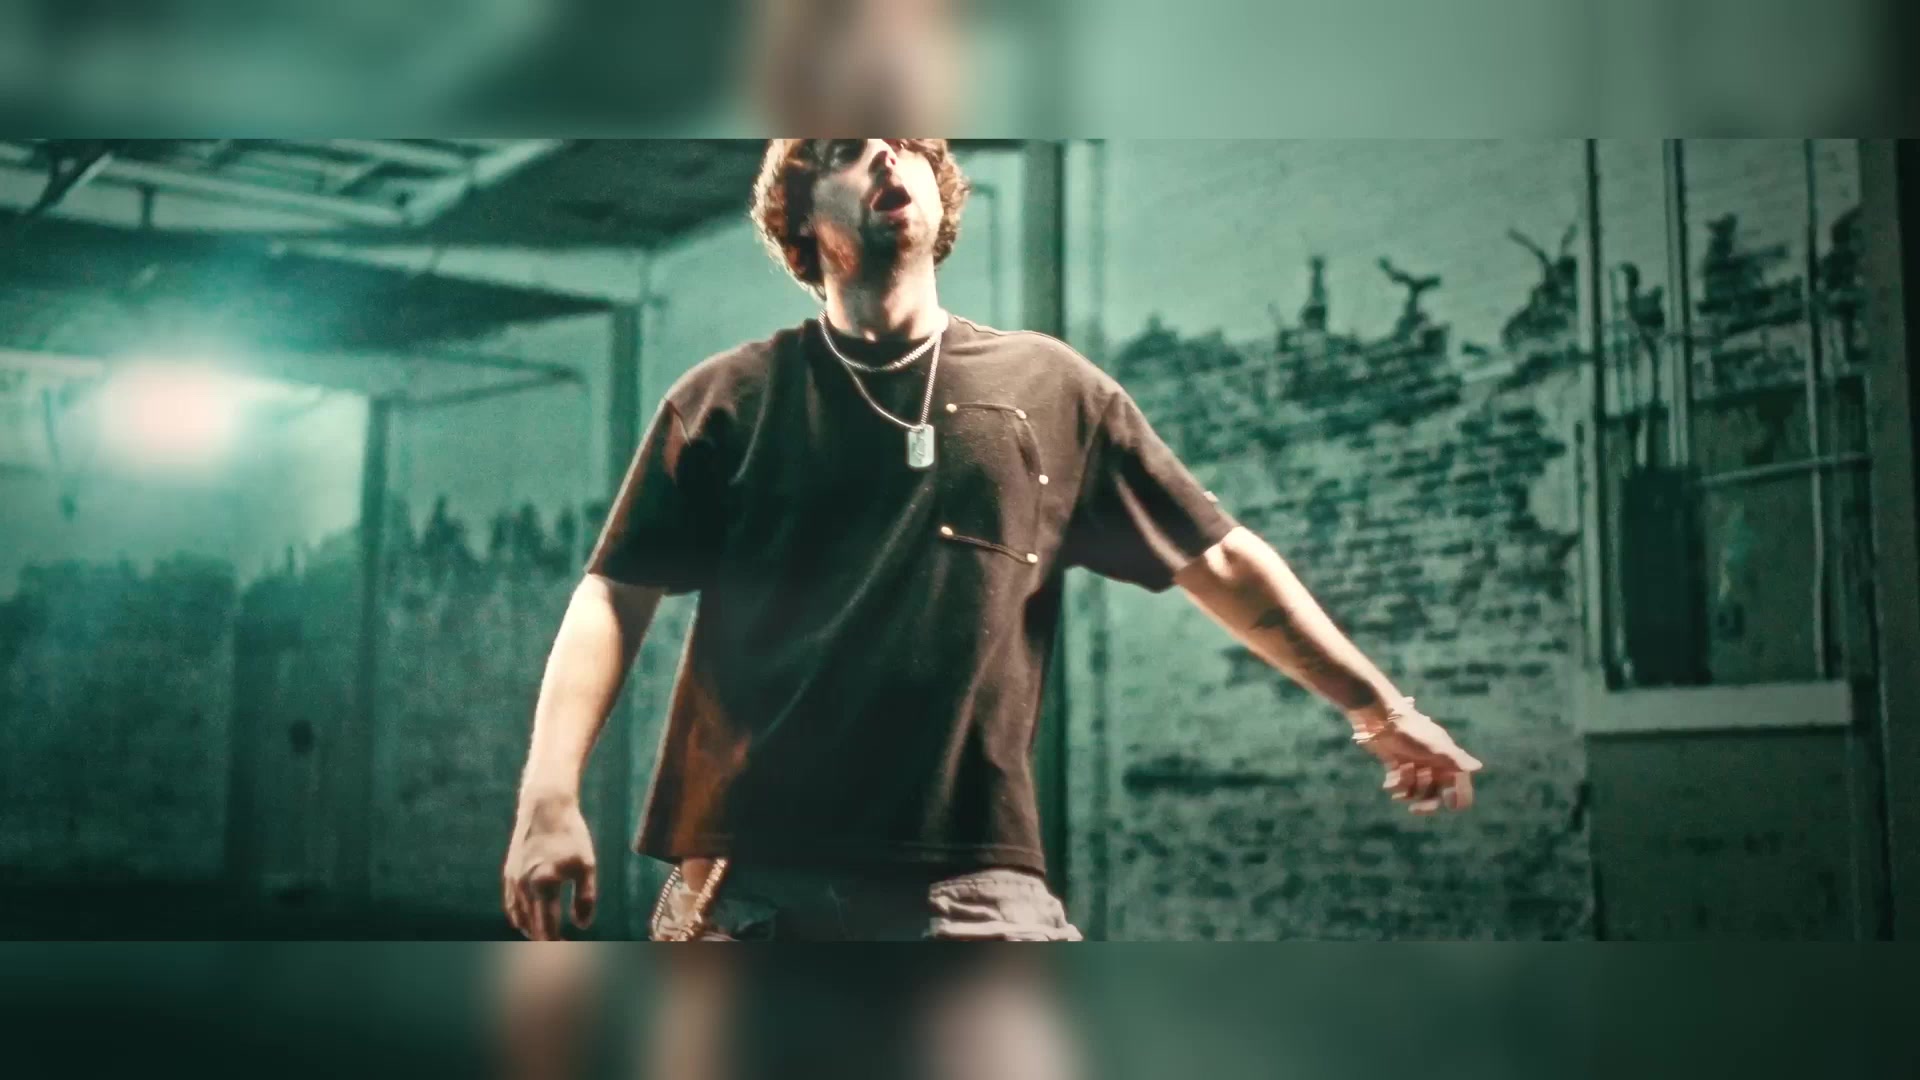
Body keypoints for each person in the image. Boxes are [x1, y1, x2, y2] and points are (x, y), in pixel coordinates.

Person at [502, 138, 1482, 945]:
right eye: (845, 152)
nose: (886, 158)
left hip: (972, 880)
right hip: (751, 884)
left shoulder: (1053, 390)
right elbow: (613, 594)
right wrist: (548, 798)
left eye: (906, 146)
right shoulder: (729, 399)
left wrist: (1378, 707)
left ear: (939, 194)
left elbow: (1217, 557)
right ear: (800, 223)